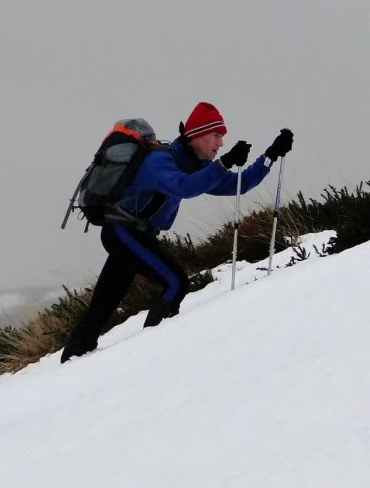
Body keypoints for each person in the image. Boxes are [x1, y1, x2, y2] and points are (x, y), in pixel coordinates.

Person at [61, 102, 293, 363]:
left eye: (222, 137)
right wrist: (224, 164)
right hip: (124, 233)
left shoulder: (192, 165)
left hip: (136, 235)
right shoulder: (160, 161)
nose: (221, 143)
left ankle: (71, 362)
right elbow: (184, 187)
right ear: (197, 135)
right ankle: (153, 354)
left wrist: (270, 156)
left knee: (101, 308)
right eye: (216, 135)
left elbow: (238, 185)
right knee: (175, 283)